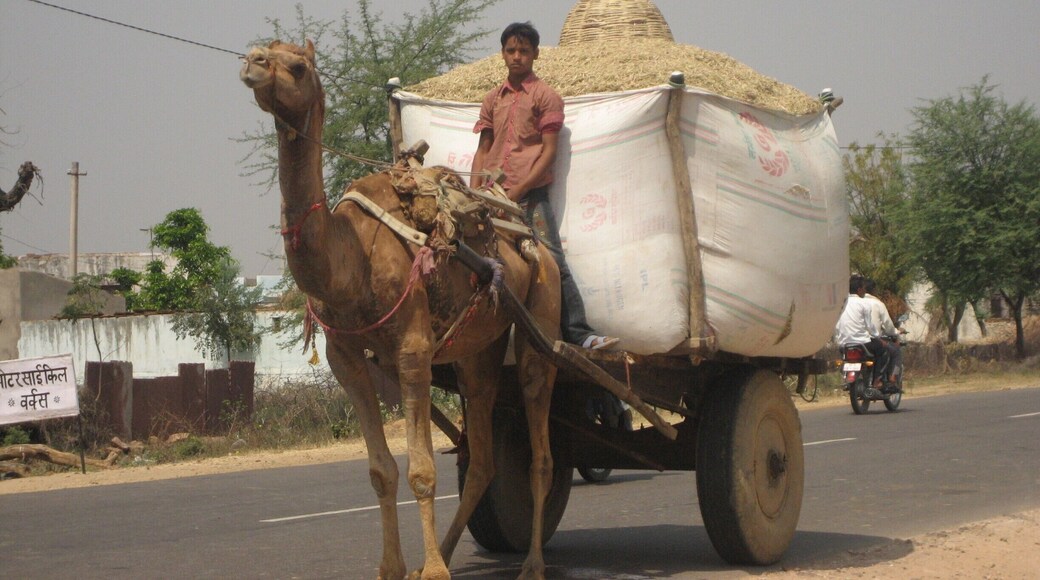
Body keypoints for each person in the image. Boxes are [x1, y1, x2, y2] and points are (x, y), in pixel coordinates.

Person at [470, 21, 618, 350]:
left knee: (551, 261)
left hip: (529, 198)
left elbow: (548, 152)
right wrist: (476, 190)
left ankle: (581, 334)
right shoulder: (493, 99)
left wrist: (518, 191)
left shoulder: (546, 97)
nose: (517, 56)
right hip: (490, 197)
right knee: (473, 258)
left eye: (524, 50)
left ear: (536, 54)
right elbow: (483, 150)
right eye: (511, 50)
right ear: (503, 54)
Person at [834, 275, 889, 390]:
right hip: (862, 343)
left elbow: (837, 325)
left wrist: (840, 339)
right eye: (864, 288)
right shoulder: (864, 303)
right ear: (859, 290)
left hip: (844, 344)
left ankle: (845, 376)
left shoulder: (841, 303)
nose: (865, 290)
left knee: (845, 358)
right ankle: (876, 380)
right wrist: (879, 337)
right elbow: (870, 327)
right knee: (882, 349)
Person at [864, 279, 905, 391]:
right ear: (874, 290)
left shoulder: (850, 303)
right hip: (870, 340)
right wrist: (896, 332)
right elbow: (888, 325)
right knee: (895, 351)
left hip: (847, 342)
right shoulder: (877, 304)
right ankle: (892, 379)